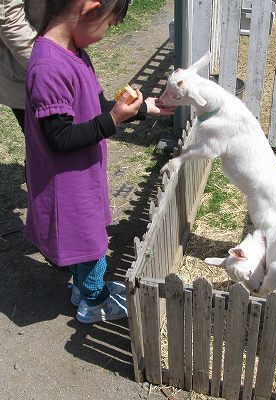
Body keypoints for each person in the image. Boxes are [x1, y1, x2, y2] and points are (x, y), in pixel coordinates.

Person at [24, 0, 175, 324]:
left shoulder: (73, 53)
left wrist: (139, 108)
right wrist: (113, 120)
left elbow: (96, 107)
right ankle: (93, 301)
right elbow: (59, 137)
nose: (107, 33)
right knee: (91, 241)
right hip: (65, 181)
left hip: (80, 172)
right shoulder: (49, 67)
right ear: (89, 7)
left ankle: (84, 287)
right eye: (109, 24)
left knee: (84, 235)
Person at [0, 0, 46, 132]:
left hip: (66, 56)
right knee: (50, 146)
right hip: (27, 69)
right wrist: (49, 66)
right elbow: (10, 20)